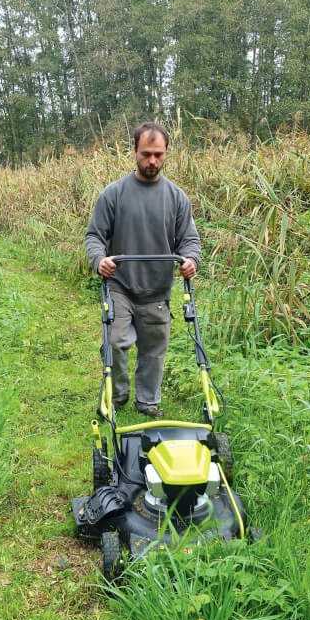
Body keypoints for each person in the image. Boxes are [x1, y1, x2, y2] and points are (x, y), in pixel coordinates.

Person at [85, 122, 201, 419]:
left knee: (153, 351)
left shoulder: (176, 197)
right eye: (146, 154)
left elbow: (189, 239)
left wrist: (190, 260)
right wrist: (99, 260)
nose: (152, 161)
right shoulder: (114, 194)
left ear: (166, 154)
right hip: (120, 284)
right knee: (115, 343)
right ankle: (119, 393)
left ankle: (147, 402)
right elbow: (95, 236)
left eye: (158, 155)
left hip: (157, 289)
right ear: (134, 151)